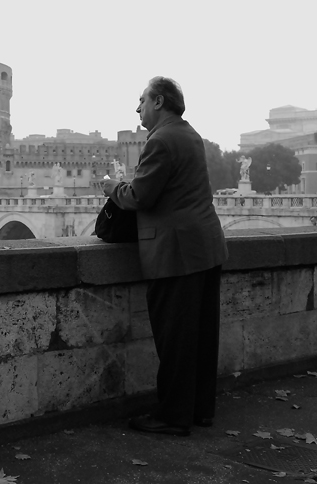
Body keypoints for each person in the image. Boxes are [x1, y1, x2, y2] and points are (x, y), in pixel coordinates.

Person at [100, 76, 228, 437]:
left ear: (158, 101)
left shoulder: (161, 140)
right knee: (201, 337)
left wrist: (112, 187)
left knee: (175, 338)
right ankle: (200, 409)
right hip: (205, 246)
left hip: (176, 253)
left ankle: (172, 416)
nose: (137, 108)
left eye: (141, 100)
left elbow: (140, 196)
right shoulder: (190, 135)